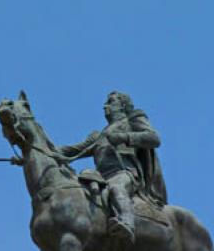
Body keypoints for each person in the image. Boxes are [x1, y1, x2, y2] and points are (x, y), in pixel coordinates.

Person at [58, 91, 167, 242]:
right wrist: (39, 149)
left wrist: (124, 137)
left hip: (125, 172)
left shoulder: (132, 120)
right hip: (101, 176)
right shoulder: (98, 135)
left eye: (110, 102)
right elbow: (72, 150)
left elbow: (154, 138)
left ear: (122, 105)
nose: (105, 106)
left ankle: (126, 222)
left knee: (117, 187)